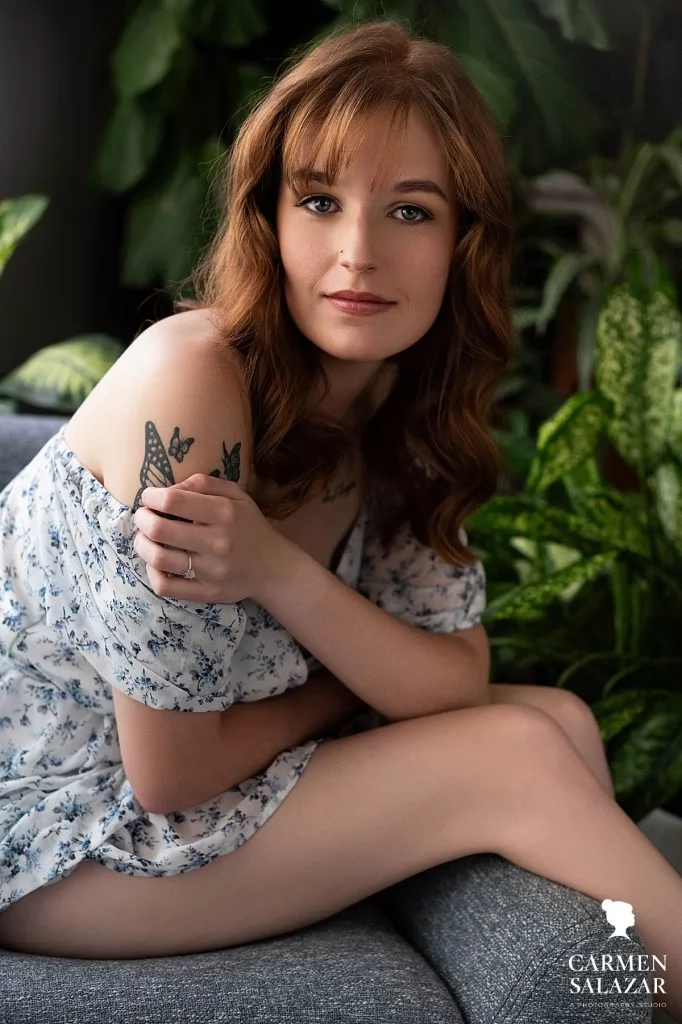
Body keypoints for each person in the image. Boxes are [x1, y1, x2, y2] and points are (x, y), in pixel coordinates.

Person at [0, 18, 680, 1016]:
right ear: (268, 218)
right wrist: (352, 681)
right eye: (319, 200)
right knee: (517, 752)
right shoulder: (193, 383)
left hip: (180, 815)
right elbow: (174, 773)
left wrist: (278, 572)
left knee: (558, 720)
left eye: (409, 211)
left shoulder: (400, 410)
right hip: (56, 846)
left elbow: (455, 672)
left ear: (463, 240)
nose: (357, 252)